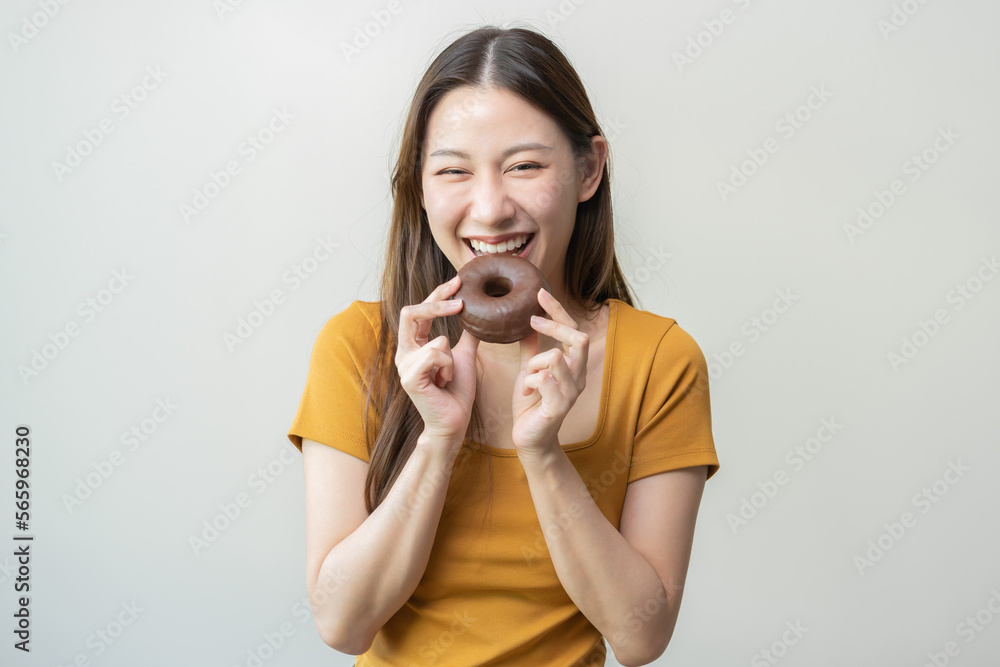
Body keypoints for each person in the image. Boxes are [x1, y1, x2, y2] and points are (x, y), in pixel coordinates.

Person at [286, 23, 721, 667]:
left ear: (588, 169)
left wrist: (543, 454)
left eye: (524, 166)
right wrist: (437, 439)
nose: (489, 209)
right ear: (421, 186)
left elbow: (640, 638)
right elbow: (343, 624)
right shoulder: (359, 347)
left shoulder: (659, 360)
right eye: (454, 170)